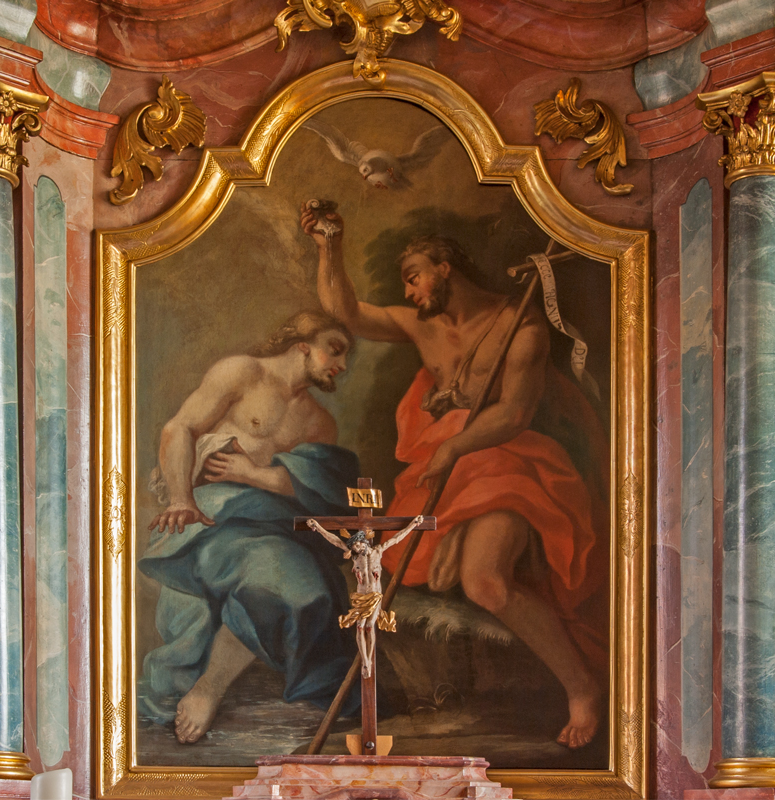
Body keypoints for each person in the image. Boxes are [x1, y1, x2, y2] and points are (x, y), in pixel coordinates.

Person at [302, 204, 609, 749]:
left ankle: (581, 686)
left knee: (485, 582)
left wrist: (455, 445)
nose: (410, 291)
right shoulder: (422, 326)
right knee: (438, 573)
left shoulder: (521, 326)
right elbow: (345, 310)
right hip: (448, 466)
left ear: (444, 267)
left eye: (414, 277)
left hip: (510, 463)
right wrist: (330, 246)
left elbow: (513, 413)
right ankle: (457, 535)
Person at [138, 310, 361, 744]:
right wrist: (181, 498)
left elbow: (316, 489)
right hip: (213, 518)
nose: (342, 364)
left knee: (308, 589)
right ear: (302, 345)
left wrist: (253, 475)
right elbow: (180, 428)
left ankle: (211, 685)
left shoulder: (319, 423)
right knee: (275, 576)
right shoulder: (241, 373)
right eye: (334, 350)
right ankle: (209, 688)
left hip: (276, 529)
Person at [306, 515, 425, 678]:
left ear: (364, 542)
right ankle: (365, 661)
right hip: (361, 595)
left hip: (375, 595)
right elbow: (335, 541)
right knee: (360, 627)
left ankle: (369, 658)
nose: (356, 547)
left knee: (369, 626)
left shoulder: (378, 551)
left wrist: (412, 525)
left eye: (357, 544)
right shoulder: (355, 556)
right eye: (354, 546)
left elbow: (397, 538)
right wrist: (319, 528)